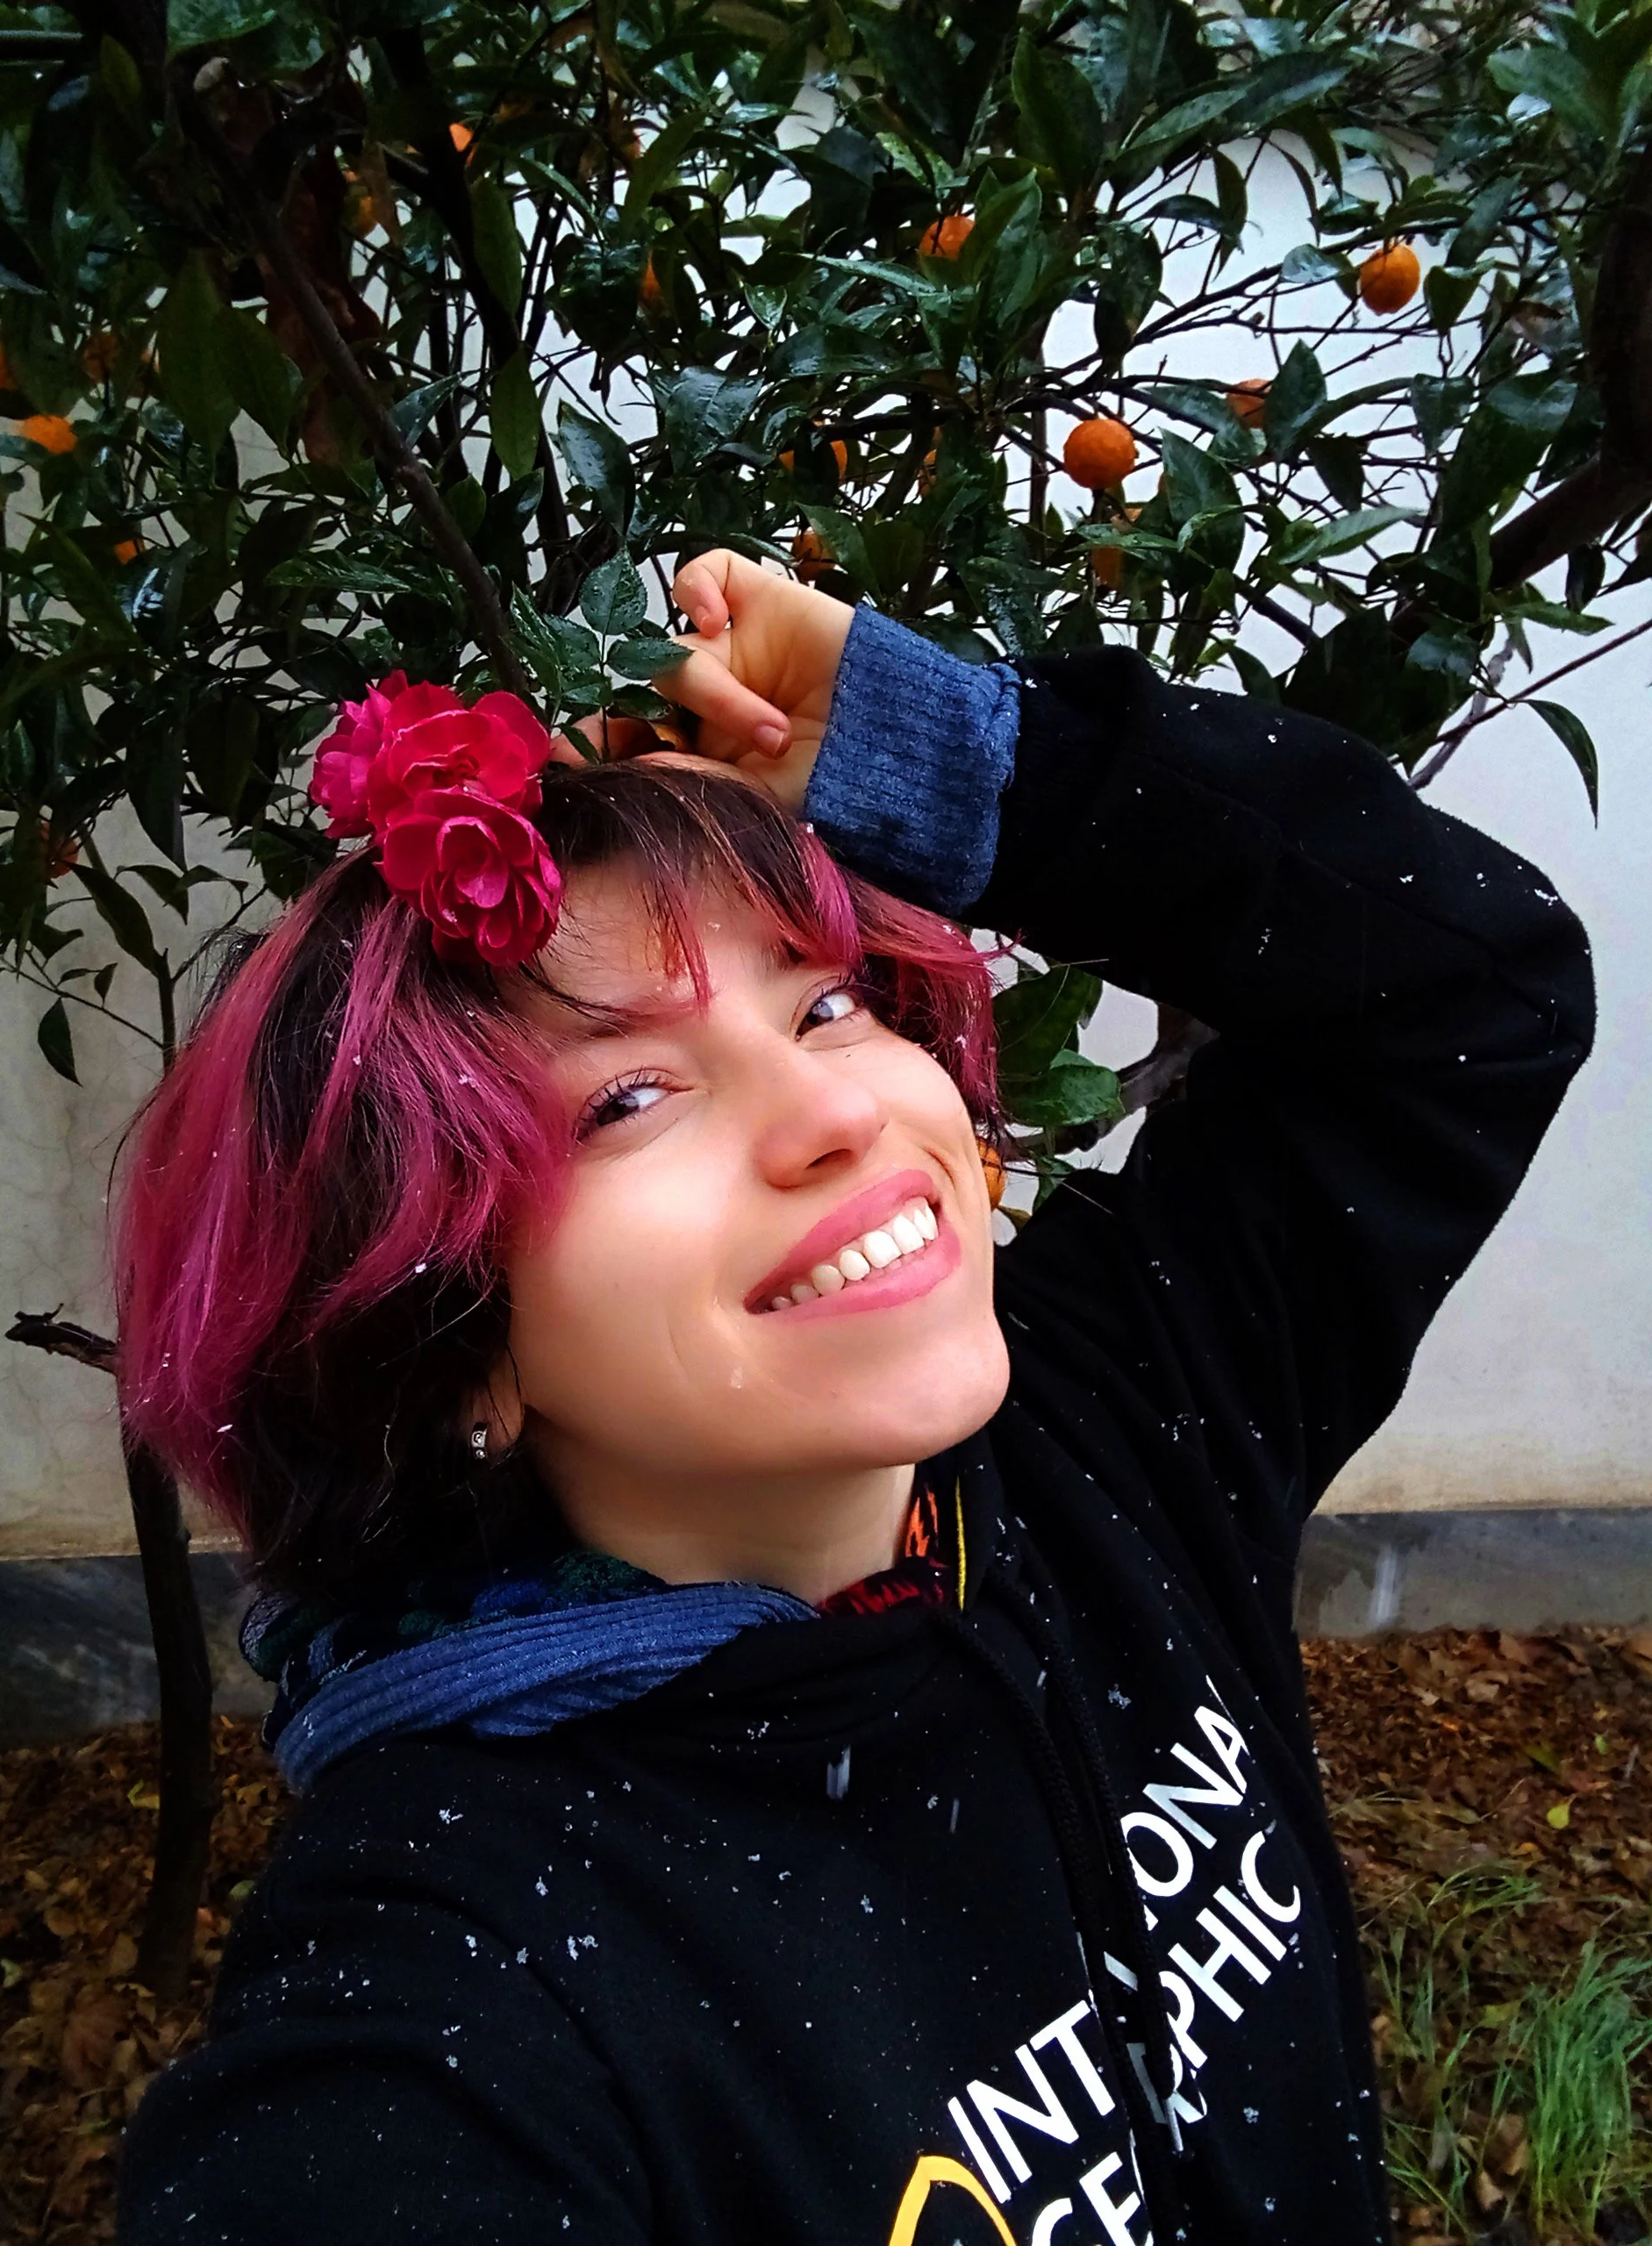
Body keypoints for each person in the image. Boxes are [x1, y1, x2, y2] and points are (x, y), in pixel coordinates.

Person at [114, 550, 1593, 2246]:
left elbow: (1469, 996)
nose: (835, 1113)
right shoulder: (472, 1960)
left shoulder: (1116, 1422)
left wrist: (931, 754)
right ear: (453, 1350)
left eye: (823, 1001)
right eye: (626, 1100)